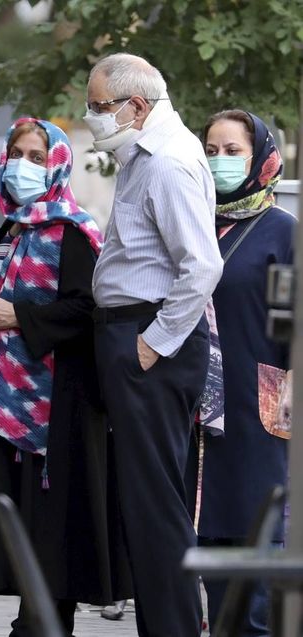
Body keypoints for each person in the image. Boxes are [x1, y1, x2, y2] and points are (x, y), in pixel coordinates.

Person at [0, 118, 130, 635]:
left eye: (36, 157)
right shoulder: (10, 231)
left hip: (61, 408)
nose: (22, 167)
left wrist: (17, 318)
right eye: (16, 154)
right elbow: (1, 292)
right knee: (22, 517)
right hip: (9, 399)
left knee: (54, 522)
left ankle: (44, 622)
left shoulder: (74, 233)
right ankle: (34, 618)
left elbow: (88, 309)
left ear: (57, 166)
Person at [85, 53, 223, 637]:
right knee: (143, 505)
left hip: (150, 342)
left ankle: (174, 629)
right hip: (134, 336)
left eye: (97, 107)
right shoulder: (142, 155)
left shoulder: (167, 160)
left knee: (156, 507)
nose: (90, 117)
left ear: (134, 106)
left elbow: (202, 266)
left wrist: (153, 345)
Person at [191, 110, 293, 635]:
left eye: (233, 151)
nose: (219, 160)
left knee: (258, 544)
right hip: (198, 414)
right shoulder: (192, 220)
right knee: (208, 546)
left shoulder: (283, 231)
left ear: (261, 157)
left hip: (261, 411)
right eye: (211, 149)